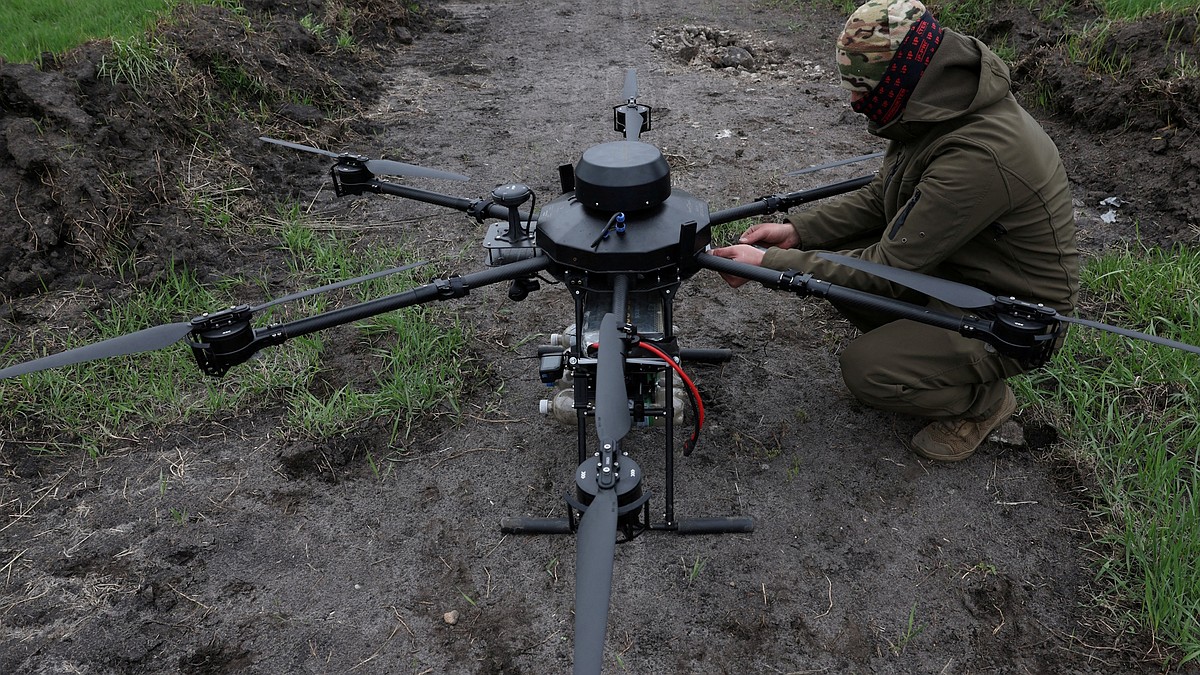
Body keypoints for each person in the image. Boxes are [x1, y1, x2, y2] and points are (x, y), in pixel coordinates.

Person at [711, 0, 1079, 462]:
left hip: (1011, 316)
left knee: (867, 370)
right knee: (836, 259)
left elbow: (887, 271)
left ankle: (983, 403)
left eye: (864, 89)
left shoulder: (979, 155)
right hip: (959, 269)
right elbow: (881, 197)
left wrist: (770, 264)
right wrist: (798, 232)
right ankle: (924, 352)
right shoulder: (935, 104)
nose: (854, 103)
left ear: (901, 78)